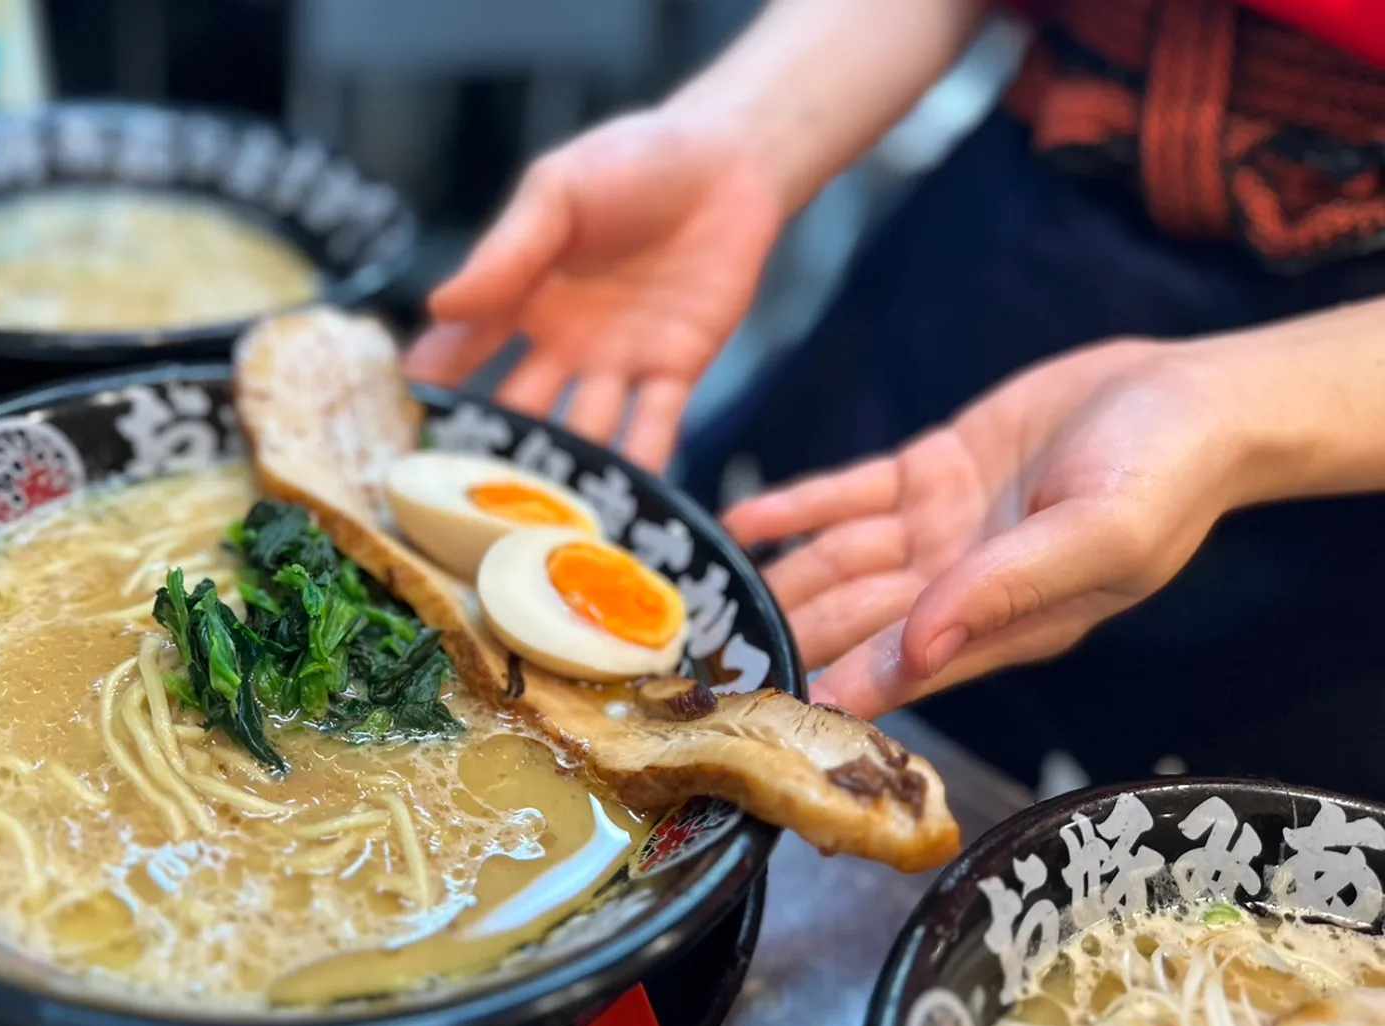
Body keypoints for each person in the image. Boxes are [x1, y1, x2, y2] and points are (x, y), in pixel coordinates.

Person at [407, 0, 1385, 795]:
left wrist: (1223, 403)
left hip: (1333, 454)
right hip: (998, 253)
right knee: (712, 665)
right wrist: (741, 132)